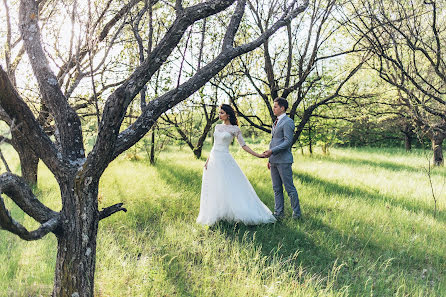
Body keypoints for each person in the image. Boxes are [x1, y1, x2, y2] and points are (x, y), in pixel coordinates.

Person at [196, 104, 276, 226]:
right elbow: (214, 146)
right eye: (219, 112)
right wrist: (207, 161)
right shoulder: (217, 127)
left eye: (222, 112)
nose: (219, 115)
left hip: (225, 160)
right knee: (215, 186)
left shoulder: (235, 129)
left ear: (228, 114)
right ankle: (217, 215)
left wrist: (258, 155)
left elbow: (243, 146)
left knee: (229, 186)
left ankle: (237, 214)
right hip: (214, 160)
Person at [262, 97, 302, 220]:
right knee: (276, 189)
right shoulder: (276, 122)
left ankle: (297, 214)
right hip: (274, 161)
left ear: (282, 108)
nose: (273, 108)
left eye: (275, 106)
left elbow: (288, 142)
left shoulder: (288, 122)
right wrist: (270, 159)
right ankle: (278, 213)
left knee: (289, 188)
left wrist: (272, 151)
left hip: (284, 160)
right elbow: (273, 141)